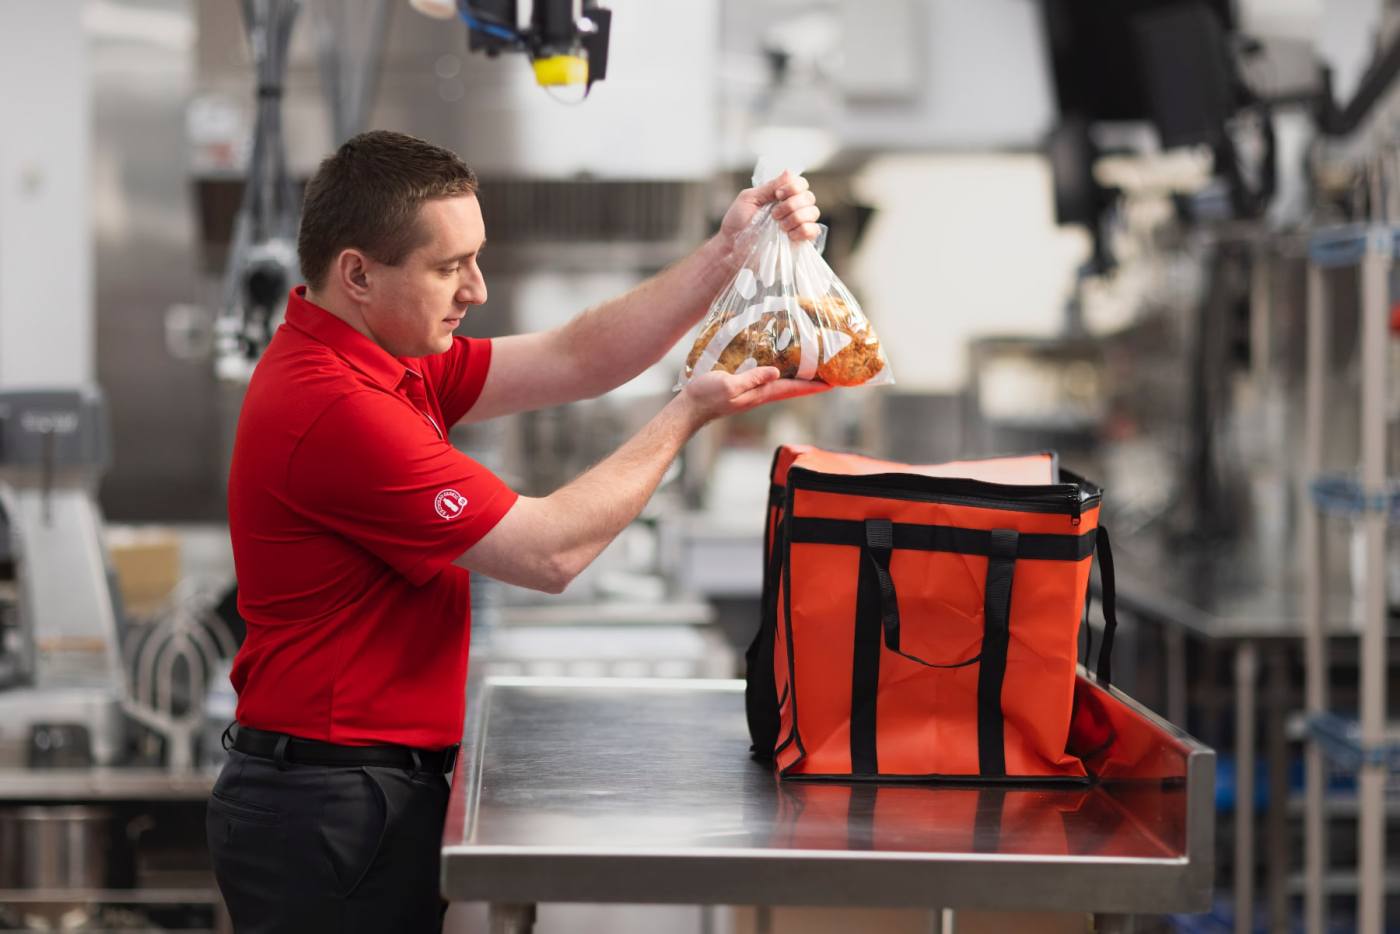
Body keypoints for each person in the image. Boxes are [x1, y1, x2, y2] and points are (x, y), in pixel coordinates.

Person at [207, 129, 828, 933]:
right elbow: (549, 550)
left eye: (475, 258)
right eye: (448, 266)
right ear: (357, 273)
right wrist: (687, 413)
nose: (477, 288)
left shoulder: (385, 359)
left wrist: (727, 255)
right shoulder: (337, 406)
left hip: (357, 791)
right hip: (331, 806)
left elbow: (576, 358)